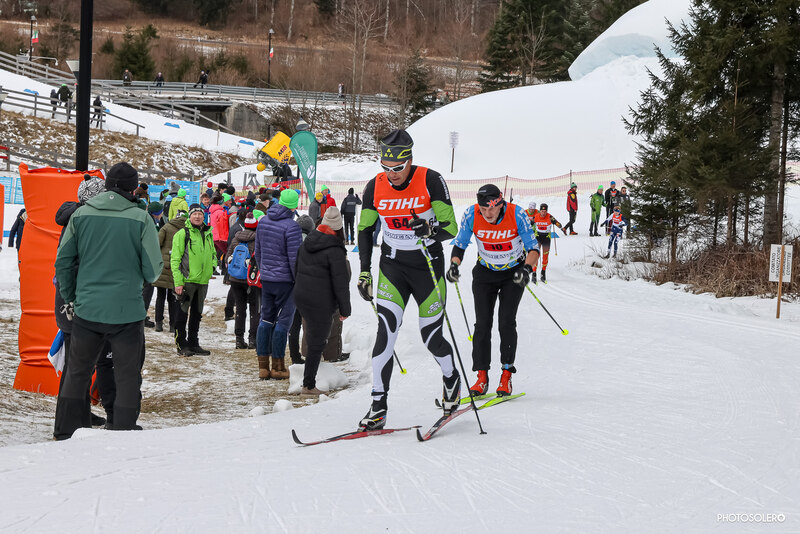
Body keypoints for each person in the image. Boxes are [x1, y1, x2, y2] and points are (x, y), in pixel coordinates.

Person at [355, 128, 460, 431]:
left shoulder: (431, 180)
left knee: (431, 337)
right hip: (393, 266)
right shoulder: (375, 186)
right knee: (386, 332)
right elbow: (365, 229)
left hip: (428, 266)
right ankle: (378, 406)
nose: (392, 174)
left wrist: (431, 231)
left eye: (398, 168)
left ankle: (451, 379)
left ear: (410, 160)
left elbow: (451, 227)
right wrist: (365, 270)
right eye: (386, 168)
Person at [53, 162, 162, 439]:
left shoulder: (81, 214)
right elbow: (153, 269)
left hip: (87, 309)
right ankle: (122, 429)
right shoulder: (141, 218)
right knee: (126, 374)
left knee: (77, 371)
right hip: (127, 311)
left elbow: (63, 262)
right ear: (133, 188)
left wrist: (72, 296)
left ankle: (65, 432)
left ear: (107, 184)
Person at [448, 184, 539, 397]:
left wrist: (527, 269)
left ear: (500, 203)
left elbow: (533, 248)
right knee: (482, 325)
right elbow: (460, 244)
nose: (487, 214)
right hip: (485, 273)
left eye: (491, 208)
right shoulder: (471, 214)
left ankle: (506, 376)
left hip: (513, 274)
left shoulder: (518, 215)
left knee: (506, 322)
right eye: (483, 209)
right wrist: (454, 265)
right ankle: (482, 377)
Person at [53, 175, 114, 432]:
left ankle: (80, 412)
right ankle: (70, 421)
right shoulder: (80, 221)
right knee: (75, 365)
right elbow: (71, 264)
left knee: (81, 363)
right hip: (75, 301)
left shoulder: (77, 217)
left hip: (74, 299)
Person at [293, 207, 351, 395]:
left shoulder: (307, 243)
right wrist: (345, 309)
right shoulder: (335, 250)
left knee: (312, 336)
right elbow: (341, 283)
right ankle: (308, 385)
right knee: (317, 342)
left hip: (302, 295)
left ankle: (309, 380)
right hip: (321, 301)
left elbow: (296, 269)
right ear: (339, 228)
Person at [253, 189, 302, 381]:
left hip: (267, 279)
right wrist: (298, 281)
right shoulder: (292, 227)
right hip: (286, 281)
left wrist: (264, 271)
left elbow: (258, 251)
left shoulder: (263, 221)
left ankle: (263, 367)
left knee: (266, 319)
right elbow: (294, 259)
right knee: (283, 322)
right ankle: (278, 367)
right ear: (294, 206)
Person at [171, 204, 216, 356]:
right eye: (194, 214)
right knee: (182, 314)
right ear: (189, 216)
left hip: (202, 282)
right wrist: (178, 282)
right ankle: (181, 344)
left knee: (197, 314)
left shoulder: (208, 233)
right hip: (187, 280)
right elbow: (175, 260)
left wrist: (212, 267)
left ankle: (193, 343)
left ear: (204, 216)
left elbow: (213, 254)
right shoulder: (182, 234)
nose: (197, 216)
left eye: (200, 214)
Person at [226, 211, 260, 350]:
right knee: (254, 309)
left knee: (240, 308)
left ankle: (239, 339)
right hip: (251, 280)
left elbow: (227, 257)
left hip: (235, 279)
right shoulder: (257, 240)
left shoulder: (236, 238)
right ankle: (253, 339)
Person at [287, 215, 316, 366]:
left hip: (292, 287)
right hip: (308, 288)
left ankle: (295, 355)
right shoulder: (313, 243)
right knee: (310, 324)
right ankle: (311, 353)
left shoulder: (290, 241)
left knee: (294, 325)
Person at [153, 208, 185, 333]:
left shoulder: (166, 227)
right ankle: (173, 324)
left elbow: (157, 244)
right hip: (177, 267)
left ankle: (158, 323)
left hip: (164, 265)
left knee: (160, 296)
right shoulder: (186, 230)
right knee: (173, 298)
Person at [531, 203, 563, 283]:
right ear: (540, 211)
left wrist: (557, 224)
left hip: (546, 238)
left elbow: (559, 224)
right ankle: (534, 274)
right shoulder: (536, 217)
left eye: (545, 211)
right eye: (542, 211)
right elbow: (528, 224)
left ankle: (543, 272)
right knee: (536, 256)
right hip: (538, 238)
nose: (543, 213)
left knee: (545, 256)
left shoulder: (550, 217)